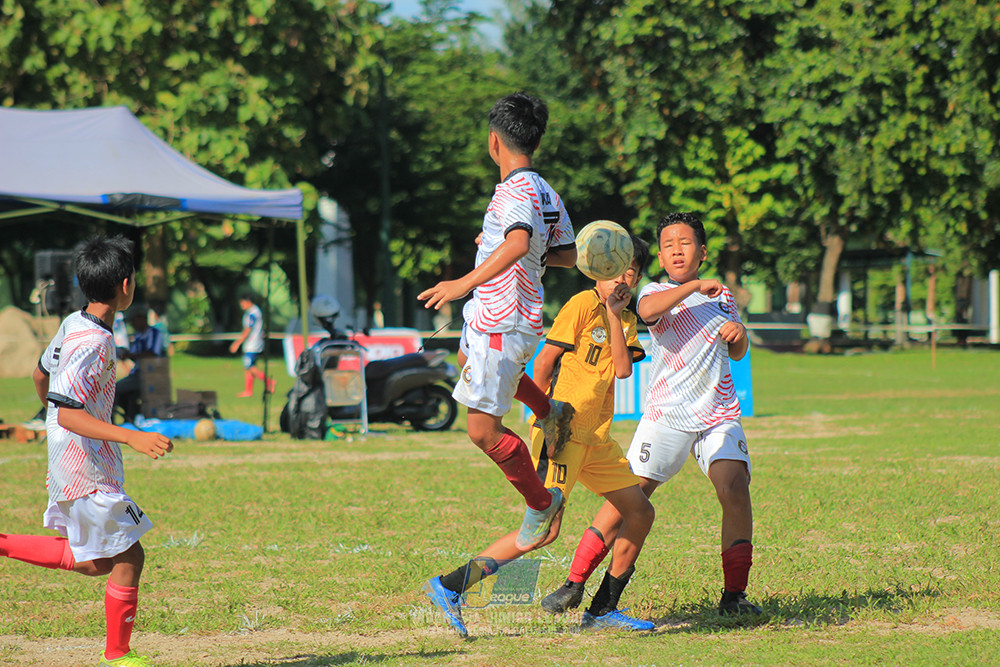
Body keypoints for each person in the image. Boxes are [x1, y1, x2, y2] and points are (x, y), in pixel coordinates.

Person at [425, 236, 657, 636]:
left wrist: (617, 317)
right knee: (543, 532)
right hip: (564, 433)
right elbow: (544, 362)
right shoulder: (582, 305)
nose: (622, 280)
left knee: (640, 511)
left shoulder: (626, 319)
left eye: (630, 273)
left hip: (596, 440)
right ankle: (450, 586)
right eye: (613, 270)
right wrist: (546, 420)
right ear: (595, 272)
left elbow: (622, 370)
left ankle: (602, 610)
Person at [541, 212, 762, 618]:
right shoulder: (652, 292)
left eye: (686, 242)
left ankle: (735, 597)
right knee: (632, 496)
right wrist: (696, 286)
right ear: (660, 257)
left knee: (734, 489)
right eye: (669, 245)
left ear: (703, 251)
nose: (677, 249)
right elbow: (650, 312)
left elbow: (736, 350)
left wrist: (740, 335)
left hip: (718, 413)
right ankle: (575, 582)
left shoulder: (723, 296)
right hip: (667, 415)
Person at [417, 91, 576, 563]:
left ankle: (541, 503)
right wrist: (495, 244)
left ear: (494, 142)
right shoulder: (544, 189)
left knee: (483, 431)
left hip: (500, 320)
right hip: (499, 317)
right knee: (465, 362)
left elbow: (520, 240)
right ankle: (550, 411)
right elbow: (562, 252)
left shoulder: (513, 191)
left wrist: (462, 281)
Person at [2, 235, 174, 667]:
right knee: (129, 554)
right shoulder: (95, 342)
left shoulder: (73, 323)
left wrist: (55, 418)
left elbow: (42, 377)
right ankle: (117, 656)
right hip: (85, 466)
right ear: (126, 285)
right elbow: (67, 412)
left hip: (71, 459)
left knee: (96, 560)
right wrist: (130, 435)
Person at [115, 304, 168, 421]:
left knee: (115, 390)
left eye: (133, 320)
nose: (132, 324)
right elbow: (135, 356)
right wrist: (125, 354)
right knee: (125, 394)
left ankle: (125, 418)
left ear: (141, 318)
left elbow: (153, 354)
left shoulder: (155, 333)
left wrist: (130, 355)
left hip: (149, 374)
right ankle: (130, 416)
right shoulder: (138, 336)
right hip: (137, 373)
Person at [229, 292, 275, 397]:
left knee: (249, 366)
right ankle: (248, 390)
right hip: (257, 342)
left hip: (252, 344)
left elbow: (247, 330)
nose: (241, 305)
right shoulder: (257, 311)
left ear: (248, 302)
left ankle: (269, 381)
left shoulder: (251, 313)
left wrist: (237, 343)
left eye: (242, 303)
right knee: (249, 367)